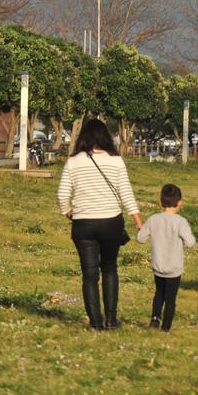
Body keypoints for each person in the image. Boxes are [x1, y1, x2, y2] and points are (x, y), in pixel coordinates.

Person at [57, 119, 142, 330]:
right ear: (105, 137)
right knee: (110, 269)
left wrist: (68, 212)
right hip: (111, 222)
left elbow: (62, 194)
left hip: (83, 224)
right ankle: (111, 320)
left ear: (83, 137)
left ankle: (96, 322)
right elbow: (126, 193)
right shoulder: (115, 161)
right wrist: (138, 220)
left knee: (89, 274)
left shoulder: (73, 162)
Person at [137, 184, 195, 331]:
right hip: (174, 268)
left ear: (160, 202)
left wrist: (143, 227)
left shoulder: (153, 219)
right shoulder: (181, 222)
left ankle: (155, 319)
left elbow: (140, 238)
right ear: (180, 202)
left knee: (159, 295)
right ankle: (166, 327)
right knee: (170, 299)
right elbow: (190, 243)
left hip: (158, 266)